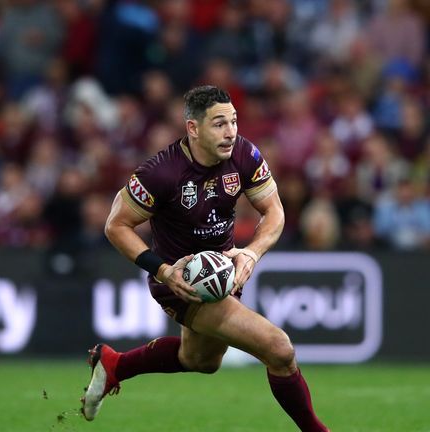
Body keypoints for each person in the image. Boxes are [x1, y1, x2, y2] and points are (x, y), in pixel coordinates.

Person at [80, 85, 328, 431]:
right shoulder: (161, 173)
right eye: (219, 124)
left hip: (221, 274)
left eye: (234, 121)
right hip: (182, 283)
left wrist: (252, 254)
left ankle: (115, 365)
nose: (230, 132)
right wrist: (163, 271)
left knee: (201, 360)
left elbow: (274, 212)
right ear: (193, 128)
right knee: (280, 349)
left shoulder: (244, 155)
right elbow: (116, 225)